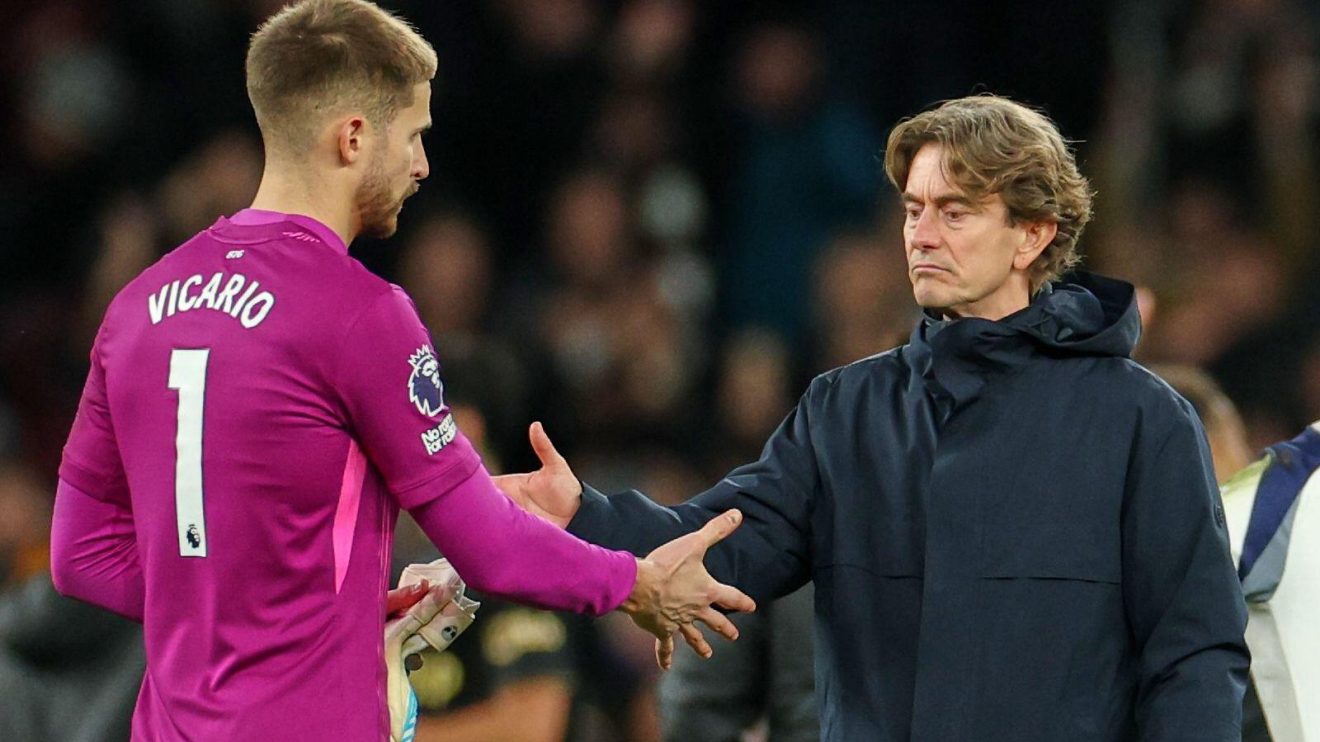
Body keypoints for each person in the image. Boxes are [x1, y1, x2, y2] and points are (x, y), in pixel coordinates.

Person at [47, 1, 753, 739]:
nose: (421, 164)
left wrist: (299, 613)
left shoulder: (135, 307)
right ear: (353, 137)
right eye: (412, 135)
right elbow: (487, 544)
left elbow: (80, 555)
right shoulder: (359, 311)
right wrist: (632, 583)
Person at [498, 94, 1250, 741]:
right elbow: (718, 547)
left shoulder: (1142, 420)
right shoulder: (844, 409)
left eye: (955, 212)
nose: (921, 235)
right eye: (914, 210)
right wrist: (581, 514)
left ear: (1034, 233)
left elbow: (1193, 655)